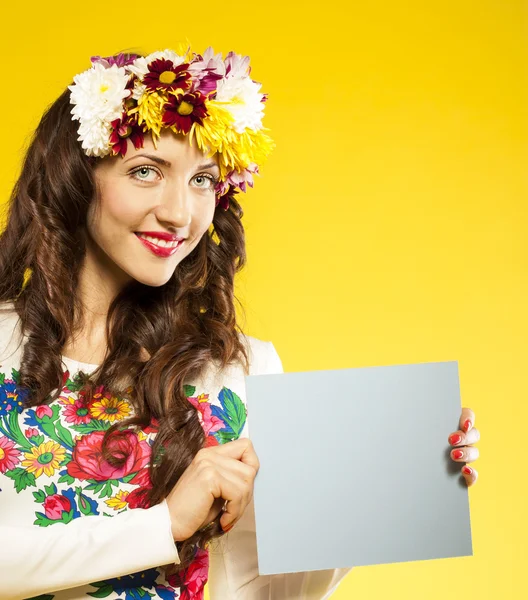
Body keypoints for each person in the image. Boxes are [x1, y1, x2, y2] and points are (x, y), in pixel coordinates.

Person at [0, 45, 481, 600]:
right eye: (146, 171)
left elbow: (263, 590)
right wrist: (162, 526)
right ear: (73, 178)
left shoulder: (239, 369)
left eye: (203, 180)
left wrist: (393, 489)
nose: (180, 213)